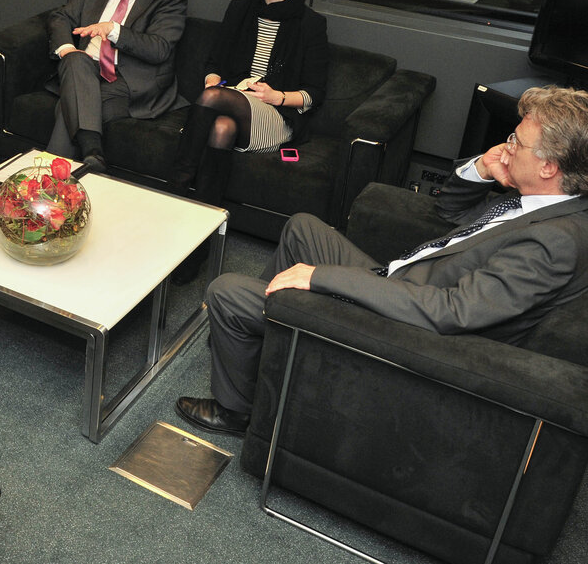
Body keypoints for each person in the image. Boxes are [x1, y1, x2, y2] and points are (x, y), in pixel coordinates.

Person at [175, 85, 588, 436]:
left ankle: (238, 410)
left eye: (516, 141)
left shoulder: (552, 241)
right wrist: (480, 169)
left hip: (403, 322)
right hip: (401, 280)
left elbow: (454, 312)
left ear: (549, 166)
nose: (506, 147)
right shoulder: (538, 202)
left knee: (226, 290)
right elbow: (451, 216)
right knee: (302, 227)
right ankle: (268, 338)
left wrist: (322, 278)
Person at [167, 0, 328, 207]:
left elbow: (314, 93)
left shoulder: (310, 24)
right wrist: (213, 79)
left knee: (213, 99)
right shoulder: (239, 10)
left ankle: (176, 188)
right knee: (221, 126)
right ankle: (204, 218)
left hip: (277, 115)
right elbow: (214, 64)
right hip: (234, 101)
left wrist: (277, 96)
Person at [46, 0, 189, 172]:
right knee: (75, 60)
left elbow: (159, 49)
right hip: (85, 69)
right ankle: (92, 155)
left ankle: (48, 181)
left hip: (130, 80)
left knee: (69, 104)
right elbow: (60, 16)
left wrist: (113, 30)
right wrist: (68, 49)